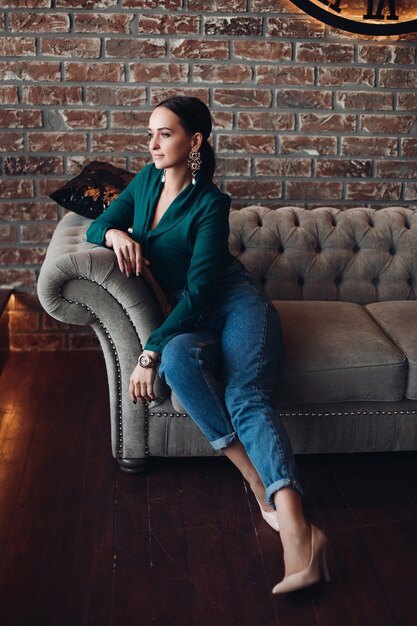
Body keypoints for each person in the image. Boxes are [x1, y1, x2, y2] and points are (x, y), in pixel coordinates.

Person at [86, 96, 330, 594]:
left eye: (165, 134)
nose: (152, 144)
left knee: (245, 396)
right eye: (150, 133)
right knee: (177, 361)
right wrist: (115, 233)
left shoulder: (211, 203)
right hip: (189, 318)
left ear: (194, 141)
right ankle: (257, 483)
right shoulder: (144, 182)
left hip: (234, 304)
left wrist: (146, 350)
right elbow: (94, 223)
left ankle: (299, 535)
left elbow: (200, 291)